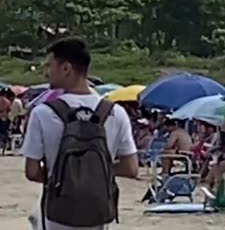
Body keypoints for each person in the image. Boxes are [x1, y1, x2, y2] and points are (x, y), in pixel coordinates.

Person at [21, 37, 138, 230]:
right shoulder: (115, 113)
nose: (46, 72)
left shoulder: (43, 113)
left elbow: (32, 172)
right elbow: (131, 168)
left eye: (49, 65)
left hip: (58, 215)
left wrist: (64, 177)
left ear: (66, 68)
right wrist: (94, 174)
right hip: (98, 214)